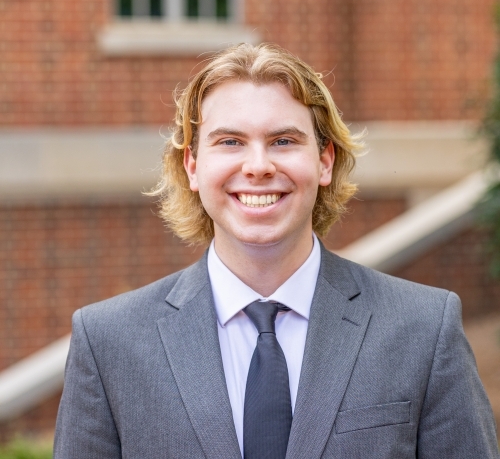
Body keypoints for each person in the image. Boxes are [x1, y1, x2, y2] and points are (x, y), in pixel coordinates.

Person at [54, 43, 499, 458]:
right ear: (193, 165)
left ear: (324, 160)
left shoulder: (423, 328)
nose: (259, 166)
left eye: (283, 141)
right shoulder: (108, 342)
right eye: (230, 142)